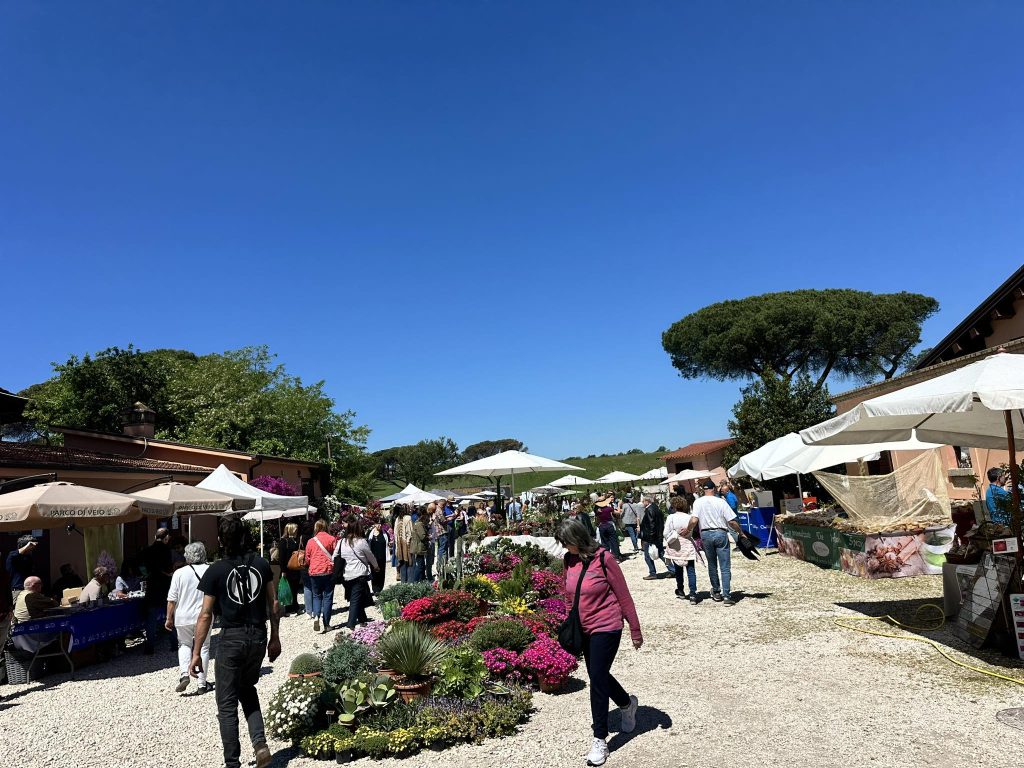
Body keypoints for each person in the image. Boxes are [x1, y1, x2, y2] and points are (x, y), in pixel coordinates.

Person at [192, 517, 280, 768]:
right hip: (258, 635)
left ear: (221, 540)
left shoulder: (216, 570)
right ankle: (260, 745)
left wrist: (196, 652)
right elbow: (274, 604)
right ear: (245, 537)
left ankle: (232, 762)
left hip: (231, 637)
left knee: (226, 703)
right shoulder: (261, 564)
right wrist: (275, 637)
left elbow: (205, 614)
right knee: (247, 688)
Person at [555, 519, 642, 767]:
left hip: (607, 625)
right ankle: (627, 704)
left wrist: (635, 629)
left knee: (597, 679)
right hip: (583, 628)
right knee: (598, 675)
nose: (565, 547)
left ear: (578, 539)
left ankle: (600, 739)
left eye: (567, 542)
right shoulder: (568, 559)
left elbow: (623, 595)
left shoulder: (604, 558)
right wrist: (569, 620)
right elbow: (569, 594)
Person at [686, 479, 743, 605]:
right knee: (725, 566)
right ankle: (727, 595)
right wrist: (741, 532)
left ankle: (716, 591)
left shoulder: (698, 502)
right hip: (720, 532)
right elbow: (732, 521)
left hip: (706, 534)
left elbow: (694, 520)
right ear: (714, 489)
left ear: (704, 490)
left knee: (712, 565)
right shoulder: (721, 501)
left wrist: (688, 530)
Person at [167, 542, 212, 694]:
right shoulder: (210, 570)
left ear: (187, 556)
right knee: (204, 646)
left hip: (182, 615)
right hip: (204, 615)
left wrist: (169, 618)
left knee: (184, 644)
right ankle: (201, 683)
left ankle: (184, 674)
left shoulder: (179, 573)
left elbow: (172, 599)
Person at [338, 520, 379, 629]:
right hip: (359, 573)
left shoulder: (341, 542)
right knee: (355, 599)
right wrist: (376, 566)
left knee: (356, 596)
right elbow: (370, 556)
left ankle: (362, 619)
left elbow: (335, 556)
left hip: (346, 574)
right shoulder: (361, 542)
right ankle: (351, 623)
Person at [142, 528, 174, 654]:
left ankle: (150, 647)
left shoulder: (148, 550)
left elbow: (144, 567)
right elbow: (168, 569)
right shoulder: (167, 550)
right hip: (165, 586)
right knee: (170, 615)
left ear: (155, 536)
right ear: (166, 538)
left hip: (152, 586)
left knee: (151, 619)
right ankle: (174, 644)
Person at [304, 520, 338, 634]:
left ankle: (316, 616)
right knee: (328, 596)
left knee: (316, 595)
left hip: (314, 571)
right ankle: (326, 624)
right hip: (328, 570)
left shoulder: (310, 541)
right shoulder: (332, 539)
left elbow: (307, 558)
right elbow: (336, 554)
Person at [664, 496, 700, 601]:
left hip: (676, 544)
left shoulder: (671, 517)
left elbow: (665, 532)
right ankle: (693, 593)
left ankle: (680, 590)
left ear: (674, 506)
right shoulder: (689, 517)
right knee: (691, 571)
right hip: (688, 543)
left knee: (678, 570)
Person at [276, 523, 303, 616]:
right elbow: (281, 558)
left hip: (295, 568)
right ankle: (289, 609)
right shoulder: (283, 541)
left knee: (295, 589)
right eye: (295, 529)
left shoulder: (295, 540)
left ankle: (295, 607)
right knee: (289, 590)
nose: (296, 531)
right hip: (287, 570)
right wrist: (283, 570)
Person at [639, 495, 666, 580]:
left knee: (647, 556)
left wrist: (650, 538)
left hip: (651, 537)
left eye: (643, 501)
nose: (642, 503)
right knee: (661, 553)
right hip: (657, 535)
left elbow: (651, 525)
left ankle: (652, 573)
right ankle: (673, 569)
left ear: (647, 501)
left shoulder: (649, 510)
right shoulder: (656, 508)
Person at [594, 494, 623, 561]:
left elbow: (597, 520)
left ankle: (606, 557)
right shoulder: (609, 509)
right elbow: (618, 512)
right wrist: (619, 505)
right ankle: (616, 556)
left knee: (604, 542)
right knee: (613, 541)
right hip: (609, 525)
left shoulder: (597, 511)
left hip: (602, 526)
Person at [367, 521, 389, 594]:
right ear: (374, 524)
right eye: (377, 524)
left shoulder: (385, 533)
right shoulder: (370, 533)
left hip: (382, 557)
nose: (379, 525)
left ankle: (380, 588)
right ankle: (375, 589)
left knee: (381, 573)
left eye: (380, 524)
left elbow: (388, 542)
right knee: (374, 573)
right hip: (373, 558)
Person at [394, 507, 414, 583]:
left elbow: (395, 533)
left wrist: (397, 545)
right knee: (409, 562)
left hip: (399, 543)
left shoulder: (397, 519)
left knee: (402, 561)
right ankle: (409, 581)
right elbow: (410, 532)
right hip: (406, 543)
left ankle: (403, 581)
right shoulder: (408, 518)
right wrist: (408, 543)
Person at [410, 511, 428, 582]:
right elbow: (422, 536)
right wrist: (428, 537)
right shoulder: (419, 524)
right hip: (419, 547)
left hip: (419, 547)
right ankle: (415, 581)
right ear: (422, 515)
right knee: (420, 566)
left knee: (422, 565)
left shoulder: (417, 523)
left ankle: (421, 580)